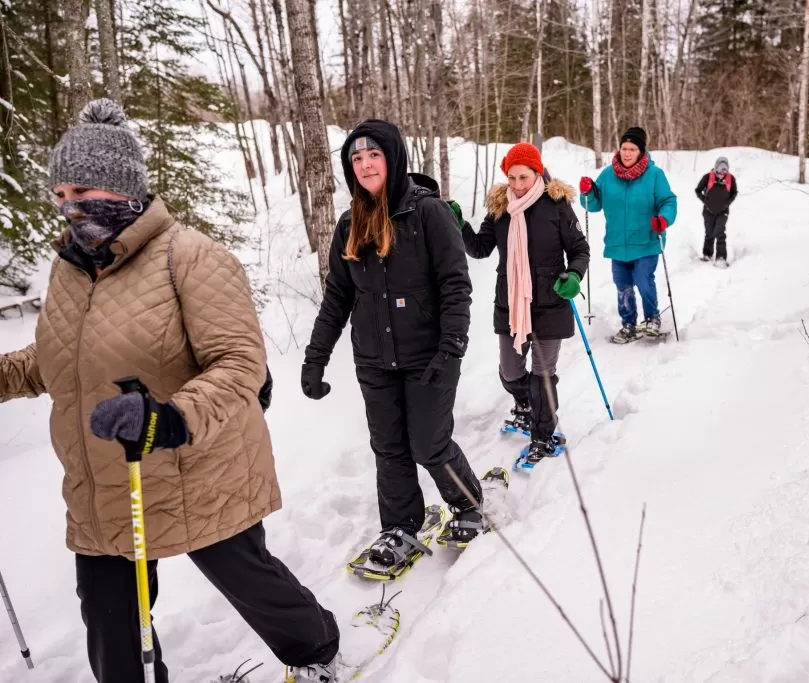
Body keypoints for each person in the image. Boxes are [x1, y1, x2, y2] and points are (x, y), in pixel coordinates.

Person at [0, 99, 340, 683]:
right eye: (59, 194)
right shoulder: (71, 269)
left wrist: (169, 417)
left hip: (197, 465)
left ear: (120, 188)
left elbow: (240, 364)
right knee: (111, 619)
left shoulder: (191, 258)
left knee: (245, 576)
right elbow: (60, 362)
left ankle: (317, 650)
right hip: (105, 481)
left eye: (80, 191)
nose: (67, 206)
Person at [301, 119, 485, 568]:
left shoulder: (429, 213)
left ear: (394, 158)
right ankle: (401, 525)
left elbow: (455, 286)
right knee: (388, 447)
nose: (364, 165)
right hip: (374, 359)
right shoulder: (350, 224)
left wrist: (451, 348)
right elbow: (338, 296)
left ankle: (468, 505)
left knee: (429, 443)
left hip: (430, 355)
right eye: (356, 159)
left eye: (373, 155)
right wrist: (315, 358)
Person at [451, 142, 590, 464]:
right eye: (511, 178)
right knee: (511, 372)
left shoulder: (557, 204)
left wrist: (573, 275)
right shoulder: (500, 208)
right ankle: (525, 404)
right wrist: (460, 226)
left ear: (536, 172)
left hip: (550, 301)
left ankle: (544, 435)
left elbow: (580, 249)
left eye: (523, 177)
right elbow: (480, 248)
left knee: (543, 374)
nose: (517, 185)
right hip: (510, 304)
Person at [579, 126, 677, 343]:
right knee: (622, 285)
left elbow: (668, 201)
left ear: (641, 151)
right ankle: (629, 325)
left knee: (643, 280)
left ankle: (652, 318)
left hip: (647, 241)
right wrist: (587, 192)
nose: (627, 152)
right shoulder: (607, 175)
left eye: (632, 148)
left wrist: (663, 219)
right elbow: (593, 205)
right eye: (624, 147)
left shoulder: (654, 175)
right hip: (617, 244)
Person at [694, 156, 738, 266]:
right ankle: (707, 254)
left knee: (719, 232)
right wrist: (705, 201)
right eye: (721, 170)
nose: (723, 173)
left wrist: (727, 203)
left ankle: (721, 257)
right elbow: (698, 190)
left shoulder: (731, 179)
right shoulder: (708, 177)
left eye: (725, 170)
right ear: (716, 168)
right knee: (709, 232)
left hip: (723, 211)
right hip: (708, 210)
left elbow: (734, 193)